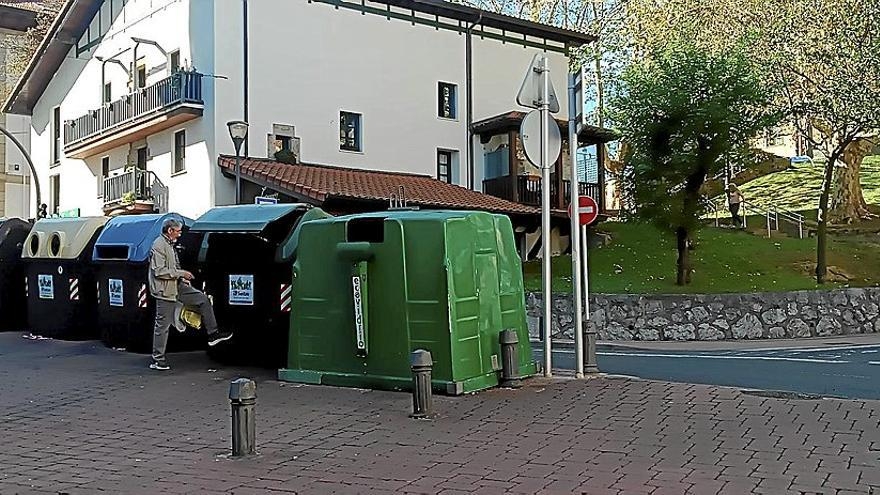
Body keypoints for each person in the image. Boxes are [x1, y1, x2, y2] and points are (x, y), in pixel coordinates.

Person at [148, 219, 232, 370]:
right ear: (170, 231)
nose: (180, 234)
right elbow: (159, 271)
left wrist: (182, 278)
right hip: (165, 291)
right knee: (162, 326)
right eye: (178, 231)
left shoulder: (169, 244)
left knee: (203, 300)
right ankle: (157, 359)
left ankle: (213, 334)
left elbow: (173, 266)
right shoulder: (159, 245)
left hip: (176, 285)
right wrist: (181, 273)